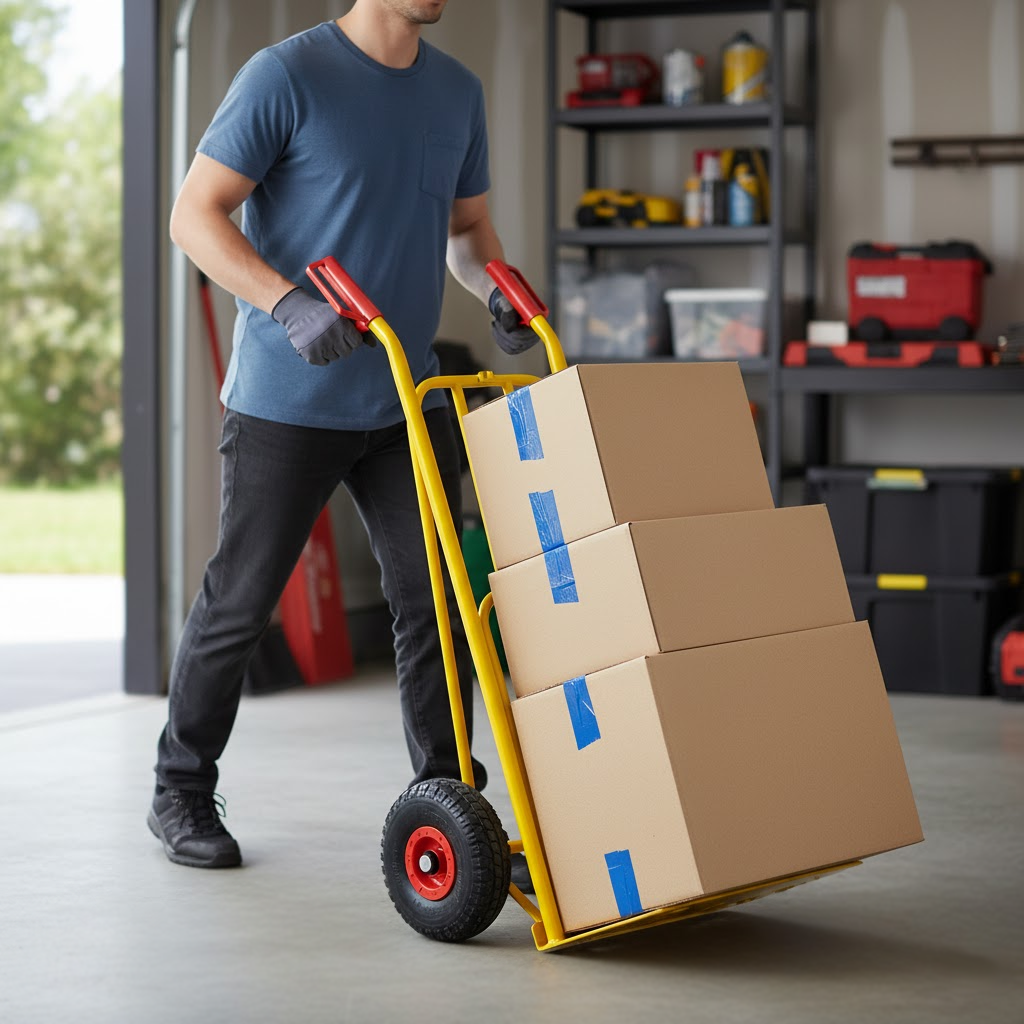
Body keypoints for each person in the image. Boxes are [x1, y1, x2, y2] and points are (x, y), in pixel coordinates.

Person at [147, 0, 537, 887]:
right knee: (240, 601)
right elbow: (196, 215)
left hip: (405, 396)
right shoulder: (285, 76)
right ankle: (179, 787)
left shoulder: (456, 93)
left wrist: (498, 290)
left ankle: (449, 803)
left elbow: (467, 232)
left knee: (436, 604)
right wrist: (284, 302)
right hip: (289, 401)